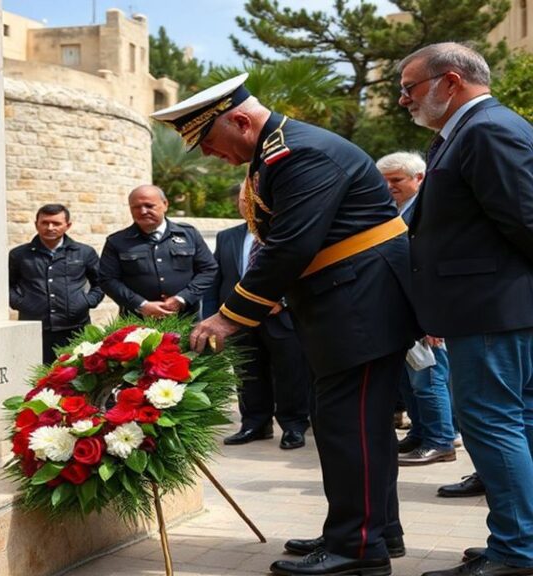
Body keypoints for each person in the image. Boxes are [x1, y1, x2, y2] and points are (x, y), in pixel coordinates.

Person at [153, 73, 418, 576]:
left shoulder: (299, 154)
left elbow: (290, 246)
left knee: (349, 428)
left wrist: (230, 317)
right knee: (359, 426)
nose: (209, 156)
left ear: (239, 120)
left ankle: (357, 550)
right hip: (348, 303)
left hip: (359, 305)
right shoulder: (279, 153)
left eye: (208, 142)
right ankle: (371, 530)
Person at [398, 42, 533, 576]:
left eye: (409, 88)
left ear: (449, 82)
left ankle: (517, 551)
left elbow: (526, 220)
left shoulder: (487, 130)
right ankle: (519, 539)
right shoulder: (466, 133)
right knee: (512, 424)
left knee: (492, 425)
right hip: (492, 308)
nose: (404, 100)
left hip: (491, 311)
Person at [203, 182, 311, 449]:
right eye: (243, 199)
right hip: (237, 320)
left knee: (290, 375)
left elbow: (303, 271)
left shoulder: (286, 234)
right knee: (247, 374)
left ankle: (293, 426)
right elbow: (217, 278)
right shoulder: (227, 236)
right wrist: (212, 318)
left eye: (254, 198)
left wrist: (283, 300)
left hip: (282, 318)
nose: (248, 204)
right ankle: (254, 423)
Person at [376, 152, 457, 466]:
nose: (389, 186)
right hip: (404, 313)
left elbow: (432, 267)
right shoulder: (396, 211)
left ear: (418, 178)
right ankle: (421, 433)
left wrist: (432, 316)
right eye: (384, 181)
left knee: (429, 378)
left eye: (396, 180)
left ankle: (440, 441)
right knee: (410, 381)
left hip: (427, 314)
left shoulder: (429, 211)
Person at [99, 184, 217, 319]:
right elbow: (107, 280)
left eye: (149, 206)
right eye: (136, 207)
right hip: (137, 322)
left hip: (185, 319)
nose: (143, 211)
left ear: (165, 204)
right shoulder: (117, 241)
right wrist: (141, 305)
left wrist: (183, 298)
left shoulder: (188, 235)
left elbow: (209, 269)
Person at [8, 204, 104, 364]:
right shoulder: (19, 255)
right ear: (36, 224)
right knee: (37, 375)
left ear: (68, 225)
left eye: (56, 223)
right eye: (45, 223)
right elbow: (6, 286)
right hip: (34, 328)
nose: (50, 227)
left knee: (76, 375)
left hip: (76, 327)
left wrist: (87, 302)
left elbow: (101, 282)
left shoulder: (84, 252)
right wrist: (21, 303)